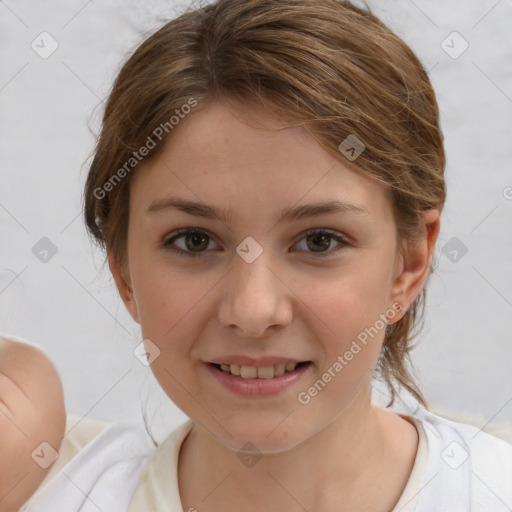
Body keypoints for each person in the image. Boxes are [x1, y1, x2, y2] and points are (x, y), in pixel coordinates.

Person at [1, 0, 511, 511]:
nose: (252, 311)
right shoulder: (46, 486)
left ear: (408, 264)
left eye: (319, 241)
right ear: (124, 270)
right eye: (194, 241)